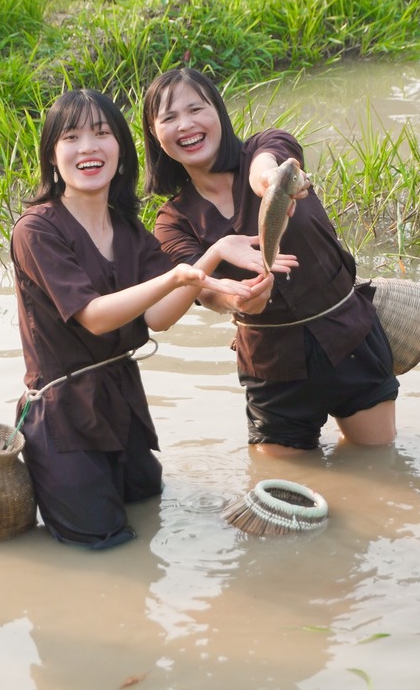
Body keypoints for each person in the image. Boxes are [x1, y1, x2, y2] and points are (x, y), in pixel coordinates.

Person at [10, 88, 296, 549]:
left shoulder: (128, 229)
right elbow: (95, 317)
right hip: (64, 414)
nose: (88, 148)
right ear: (51, 155)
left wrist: (214, 259)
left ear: (121, 151)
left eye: (101, 134)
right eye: (72, 137)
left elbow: (159, 317)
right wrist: (181, 274)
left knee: (148, 502)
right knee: (102, 543)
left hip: (122, 402)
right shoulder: (37, 229)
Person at [142, 67, 400, 456]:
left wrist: (270, 183)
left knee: (377, 463)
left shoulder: (268, 146)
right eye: (169, 118)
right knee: (280, 483)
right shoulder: (172, 221)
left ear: (218, 112)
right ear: (155, 135)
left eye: (196, 109)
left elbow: (267, 167)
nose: (186, 125)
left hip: (348, 337)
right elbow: (205, 293)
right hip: (272, 365)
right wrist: (239, 300)